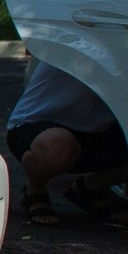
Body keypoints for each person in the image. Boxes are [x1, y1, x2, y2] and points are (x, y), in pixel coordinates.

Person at [7, 58, 128, 226]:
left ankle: (91, 187)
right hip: (40, 123)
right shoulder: (85, 37)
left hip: (102, 130)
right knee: (56, 146)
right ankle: (35, 189)